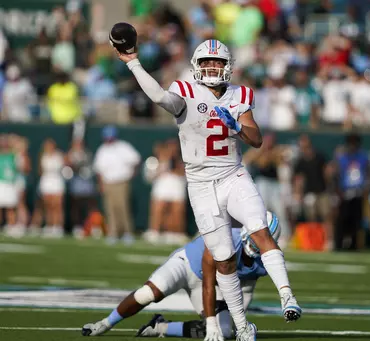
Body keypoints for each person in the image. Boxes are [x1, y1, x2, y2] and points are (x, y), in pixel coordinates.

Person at [113, 38, 301, 341]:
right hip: (200, 183)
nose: (212, 67)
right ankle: (242, 328)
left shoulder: (241, 94)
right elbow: (160, 96)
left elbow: (256, 140)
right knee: (224, 256)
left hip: (233, 174)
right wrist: (133, 62)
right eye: (206, 62)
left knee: (259, 229)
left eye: (218, 62)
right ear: (196, 66)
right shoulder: (186, 91)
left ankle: (288, 296)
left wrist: (237, 127)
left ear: (228, 66)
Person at [82, 211, 281, 339]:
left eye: (264, 240)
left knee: (225, 331)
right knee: (147, 294)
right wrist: (211, 322)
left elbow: (245, 289)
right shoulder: (227, 239)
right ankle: (105, 323)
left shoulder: (263, 262)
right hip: (186, 264)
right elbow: (209, 284)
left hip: (207, 283)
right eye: (257, 238)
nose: (258, 243)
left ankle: (160, 327)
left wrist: (240, 323)